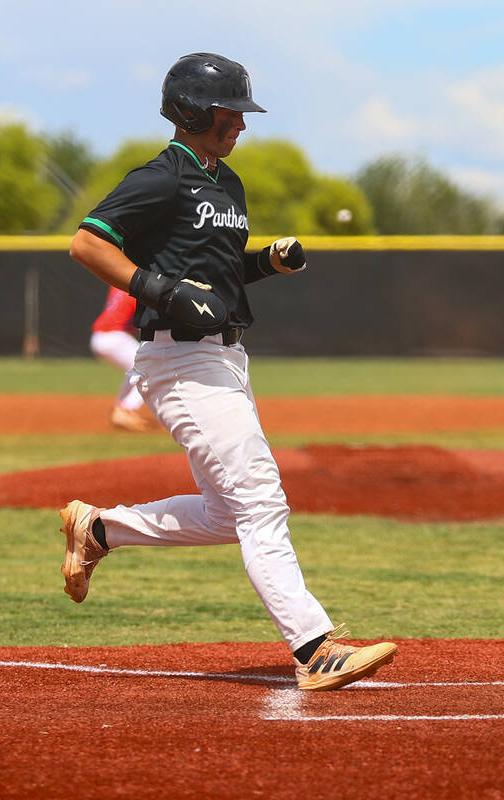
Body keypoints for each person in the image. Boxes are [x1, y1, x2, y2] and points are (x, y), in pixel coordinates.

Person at [59, 52, 396, 691]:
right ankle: (316, 648)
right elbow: (87, 242)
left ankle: (98, 528)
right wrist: (158, 287)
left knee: (226, 512)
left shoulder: (226, 183)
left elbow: (216, 270)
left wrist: (265, 261)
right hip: (180, 359)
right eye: (229, 112)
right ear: (191, 111)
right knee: (261, 500)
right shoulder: (158, 178)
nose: (240, 124)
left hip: (225, 357)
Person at [90, 285, 158, 432]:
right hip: (114, 336)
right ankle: (126, 409)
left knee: (136, 371)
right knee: (150, 370)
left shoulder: (118, 284)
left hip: (99, 336)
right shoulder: (139, 287)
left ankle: (120, 408)